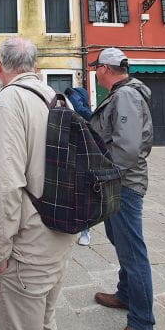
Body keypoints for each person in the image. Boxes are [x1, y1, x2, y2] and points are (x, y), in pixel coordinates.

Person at [0, 38, 76, 330]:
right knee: (45, 329)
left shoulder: (9, 101)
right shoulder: (57, 98)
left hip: (27, 248)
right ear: (36, 66)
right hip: (59, 237)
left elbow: (2, 185)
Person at [88, 47, 155, 330]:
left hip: (123, 185)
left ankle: (142, 325)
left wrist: (101, 174)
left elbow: (126, 150)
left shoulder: (125, 95)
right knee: (120, 241)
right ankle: (126, 293)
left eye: (96, 68)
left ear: (105, 69)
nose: (94, 72)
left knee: (132, 252)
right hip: (118, 182)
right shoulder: (121, 94)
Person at [64, 86, 94, 247]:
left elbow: (83, 111)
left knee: (83, 196)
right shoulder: (65, 112)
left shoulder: (88, 116)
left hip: (83, 160)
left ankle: (85, 231)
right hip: (67, 157)